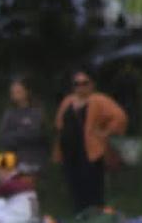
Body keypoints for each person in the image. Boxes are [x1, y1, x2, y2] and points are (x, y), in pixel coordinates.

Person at [53, 68, 127, 214]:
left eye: (84, 83)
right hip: (69, 151)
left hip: (90, 151)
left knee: (92, 187)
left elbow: (119, 117)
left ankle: (96, 218)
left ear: (92, 84)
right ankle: (79, 217)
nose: (80, 87)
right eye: (77, 84)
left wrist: (105, 132)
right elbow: (59, 123)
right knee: (74, 187)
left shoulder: (98, 100)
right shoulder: (67, 101)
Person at [0, 76, 50, 173]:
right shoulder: (9, 114)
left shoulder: (36, 112)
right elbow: (4, 139)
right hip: (12, 162)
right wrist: (22, 133)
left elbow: (35, 135)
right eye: (13, 92)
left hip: (33, 160)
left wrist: (15, 134)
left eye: (18, 91)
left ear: (27, 92)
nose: (15, 94)